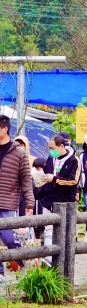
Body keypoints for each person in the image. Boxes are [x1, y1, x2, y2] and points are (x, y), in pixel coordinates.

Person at [0, 117, 34, 274]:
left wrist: (30, 202)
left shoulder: (18, 152)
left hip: (8, 201)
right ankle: (0, 273)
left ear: (5, 129)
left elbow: (26, 179)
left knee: (8, 238)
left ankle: (21, 264)